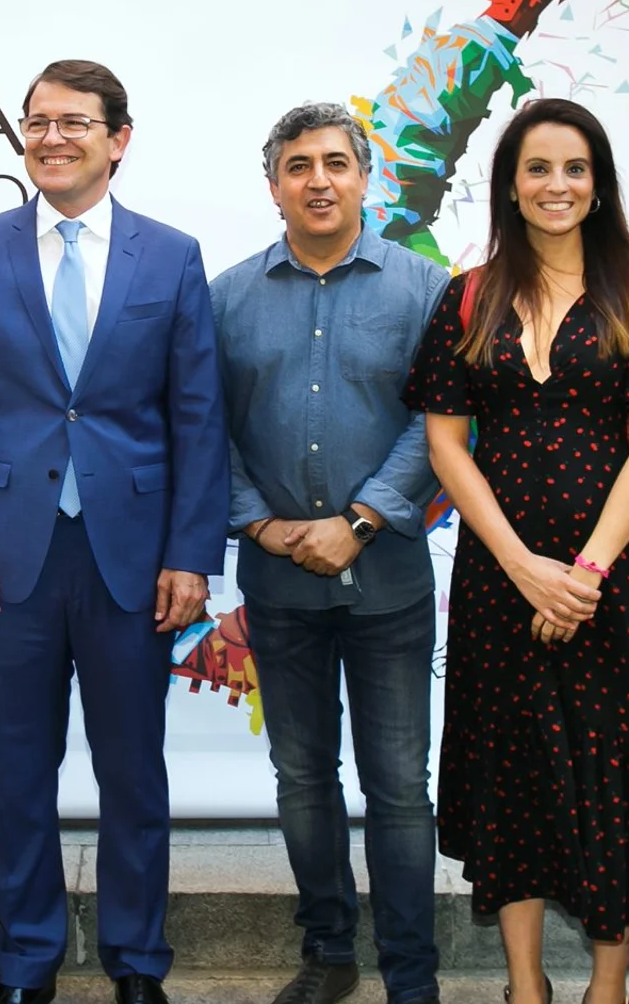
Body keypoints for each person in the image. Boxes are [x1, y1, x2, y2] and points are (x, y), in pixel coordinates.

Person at [0, 59, 228, 1004]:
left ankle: (138, 963)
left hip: (133, 557)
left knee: (133, 771)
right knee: (19, 772)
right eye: (37, 121)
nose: (51, 137)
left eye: (74, 122)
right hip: (8, 555)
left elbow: (197, 416)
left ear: (117, 139)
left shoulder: (170, 255)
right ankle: (27, 964)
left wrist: (191, 554)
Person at [403, 97, 629, 1004]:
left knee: (618, 768)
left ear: (599, 183)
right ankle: (524, 986)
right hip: (502, 578)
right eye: (539, 167)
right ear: (510, 182)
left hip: (612, 582)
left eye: (575, 168)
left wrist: (580, 573)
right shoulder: (466, 294)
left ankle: (608, 986)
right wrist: (520, 564)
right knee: (516, 772)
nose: (557, 185)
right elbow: (446, 444)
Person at [210, 102, 447, 1004]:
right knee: (303, 778)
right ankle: (329, 951)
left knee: (397, 786)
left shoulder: (425, 288)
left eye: (336, 163)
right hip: (276, 581)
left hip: (387, 577)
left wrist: (362, 517)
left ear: (365, 177)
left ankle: (411, 972)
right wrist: (260, 525)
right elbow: (206, 426)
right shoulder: (228, 295)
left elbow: (440, 421)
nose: (318, 179)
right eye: (298, 165)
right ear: (273, 186)